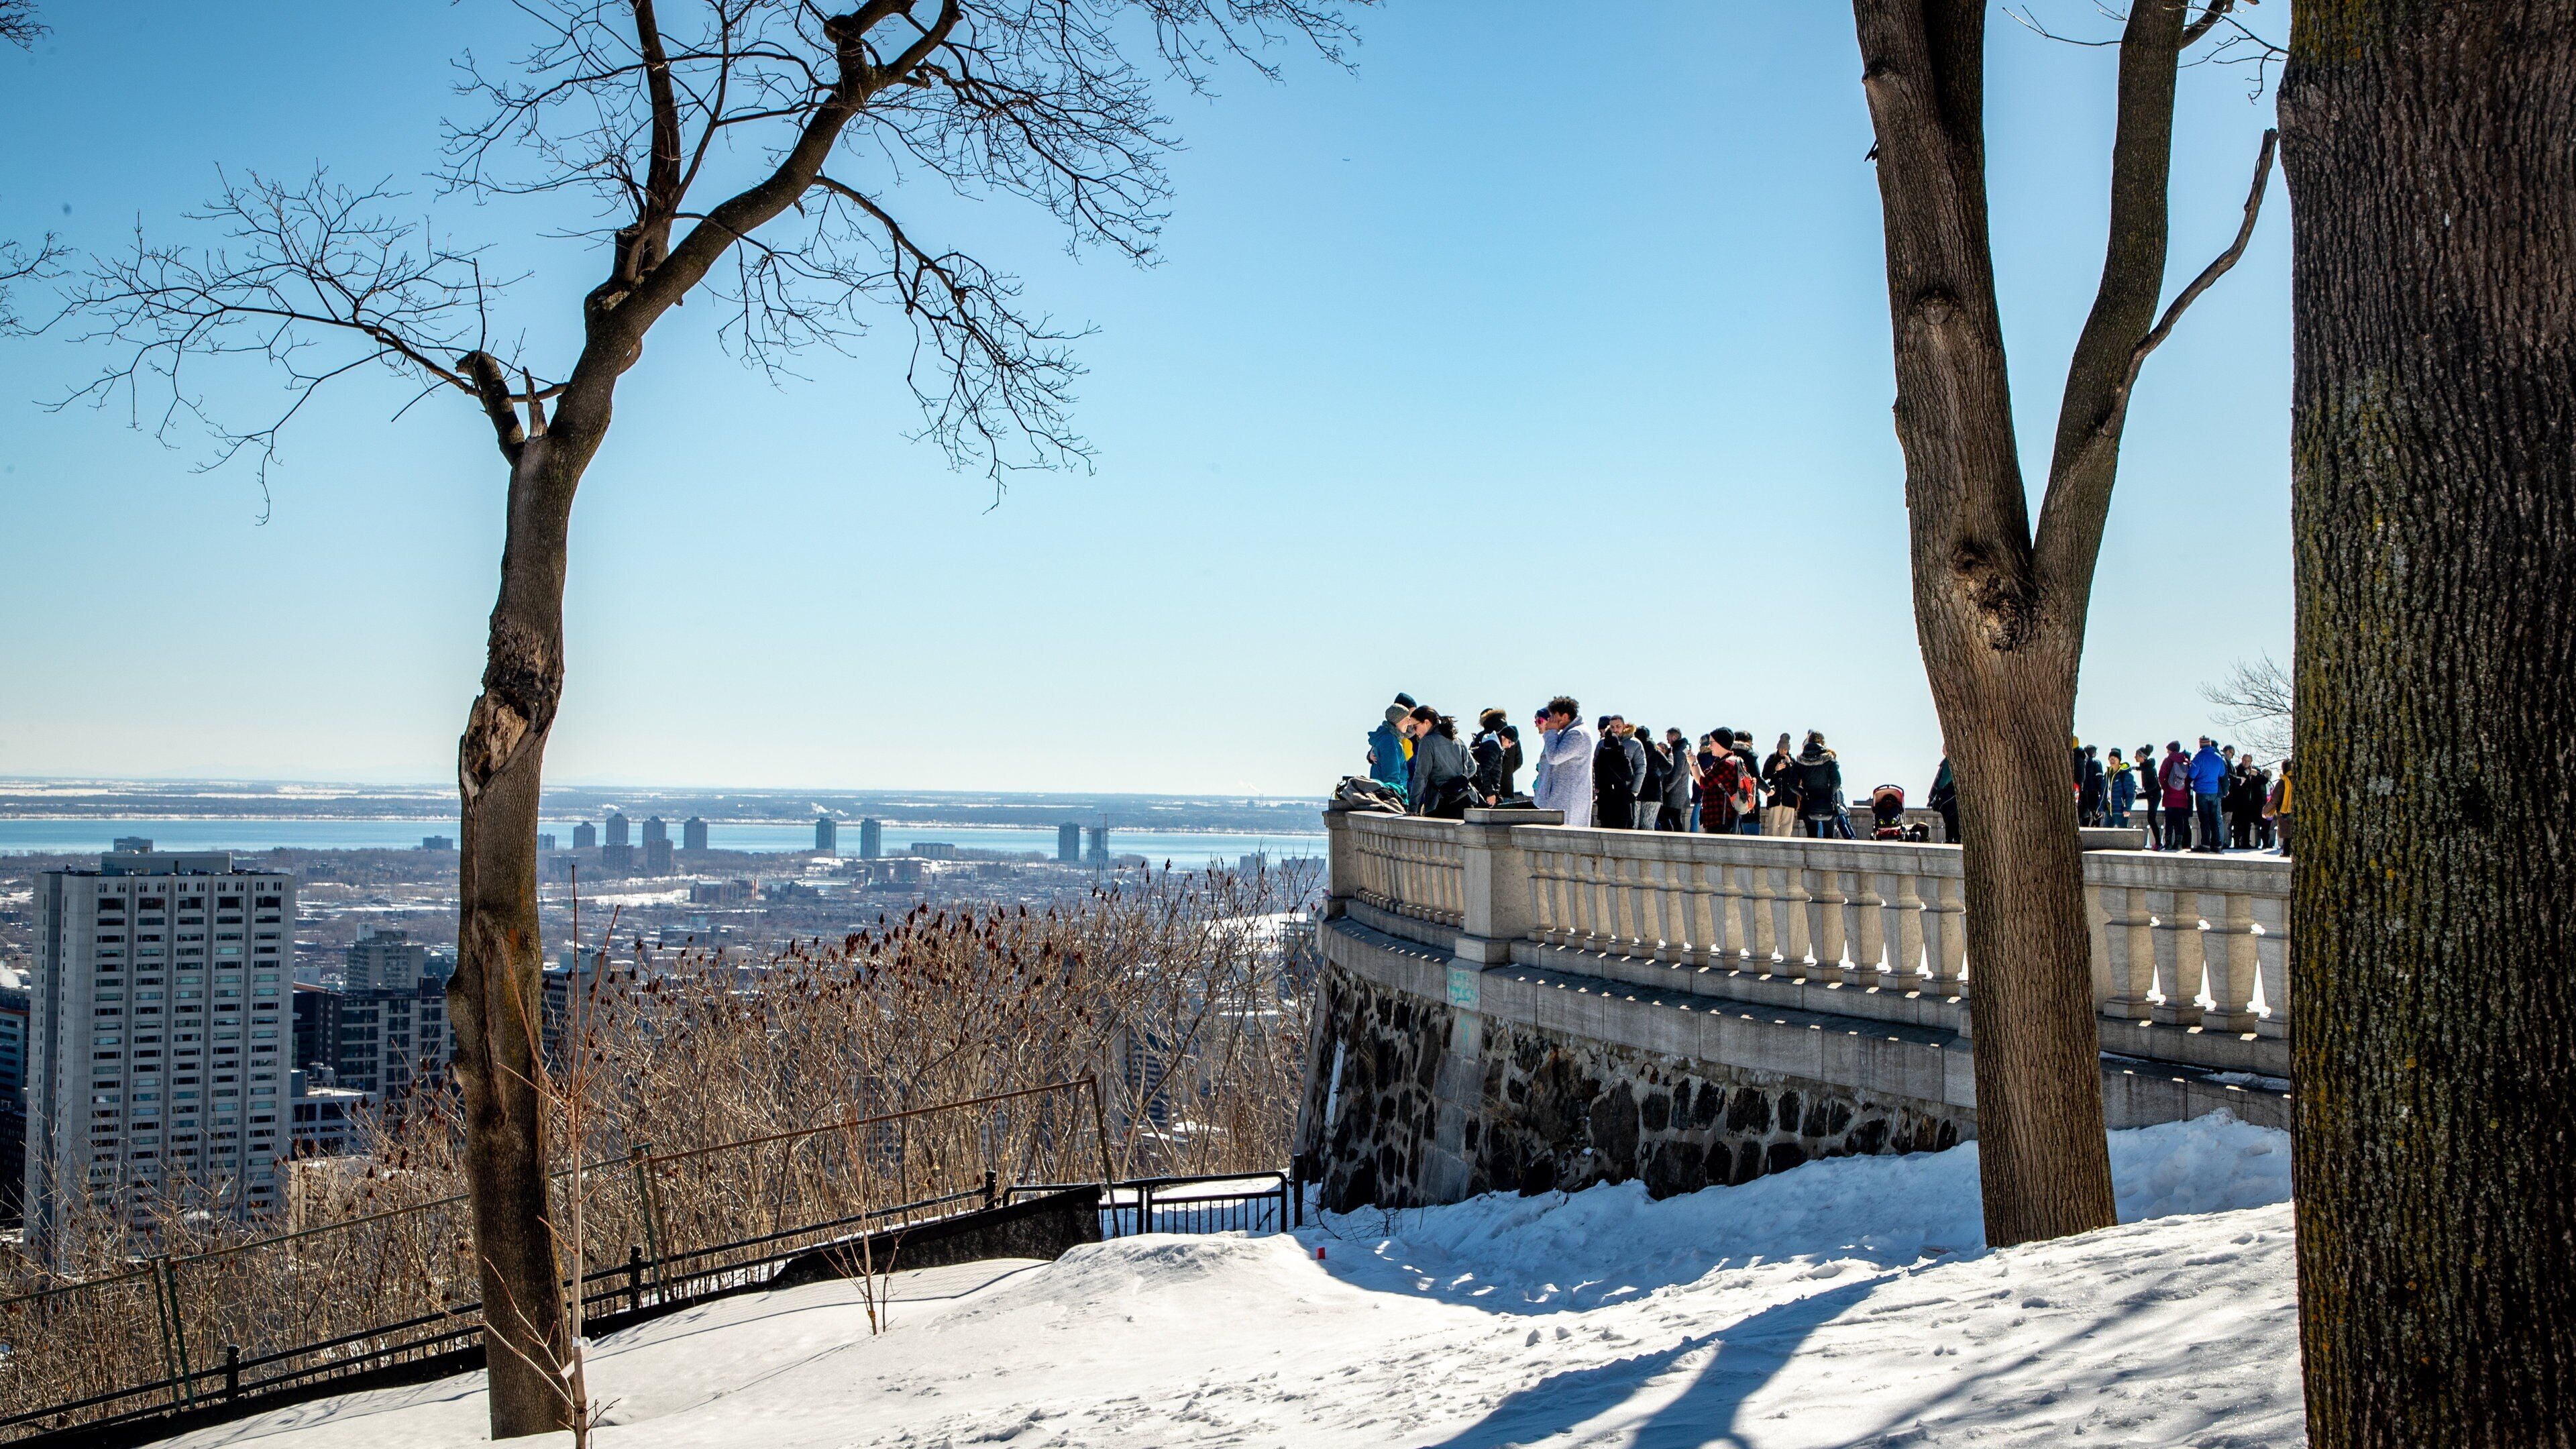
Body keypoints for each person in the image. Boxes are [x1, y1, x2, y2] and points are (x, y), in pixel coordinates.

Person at [1401, 706, 1477, 819]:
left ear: (1426, 722)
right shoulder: (1458, 740)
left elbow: (1421, 776)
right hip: (1466, 801)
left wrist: (1413, 808)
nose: (1414, 731)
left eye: (1415, 727)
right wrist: (1456, 783)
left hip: (1441, 803)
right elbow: (1472, 768)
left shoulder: (1427, 742)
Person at [1530, 698, 1593, 826]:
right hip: (1560, 802)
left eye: (1554, 716)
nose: (1551, 720)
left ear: (1565, 716)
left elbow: (1555, 757)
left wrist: (1550, 732)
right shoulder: (1569, 733)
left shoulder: (1577, 734)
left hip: (1567, 804)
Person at [1794, 731, 1846, 839]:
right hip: (1827, 802)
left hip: (1808, 803)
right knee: (1828, 837)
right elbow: (1837, 781)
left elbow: (1792, 784)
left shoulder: (1800, 760)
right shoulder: (1829, 760)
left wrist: (1804, 793)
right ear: (1822, 743)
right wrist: (1829, 793)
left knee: (1811, 836)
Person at [1593, 715, 1638, 830]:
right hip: (1621, 797)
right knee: (1622, 831)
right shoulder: (1622, 756)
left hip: (1604, 797)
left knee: (1605, 828)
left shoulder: (1600, 756)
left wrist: (1598, 787)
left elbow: (1595, 773)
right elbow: (1630, 776)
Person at [1629, 720, 1670, 831]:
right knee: (1648, 827)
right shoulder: (1656, 751)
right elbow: (1667, 768)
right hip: (1653, 790)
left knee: (1633, 825)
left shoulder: (1634, 748)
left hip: (1636, 788)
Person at [2189, 736, 2229, 852]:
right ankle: (2217, 845)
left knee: (2204, 819)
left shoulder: (2199, 758)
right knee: (2215, 819)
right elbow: (2222, 774)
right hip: (2215, 791)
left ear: (2201, 745)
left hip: (2202, 792)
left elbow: (2192, 774)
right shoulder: (2218, 758)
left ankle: (2205, 844)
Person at [1365, 705, 1410, 804]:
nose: (1409, 722)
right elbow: (1391, 777)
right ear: (1398, 720)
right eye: (1407, 719)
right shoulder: (1389, 741)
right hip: (1389, 800)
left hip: (1384, 797)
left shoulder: (1389, 738)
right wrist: (1403, 801)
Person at [1762, 733, 1802, 836]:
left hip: (1789, 799)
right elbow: (1764, 775)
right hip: (1775, 797)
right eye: (1781, 749)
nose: (1783, 752)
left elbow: (1798, 777)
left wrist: (1790, 764)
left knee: (1787, 828)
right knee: (1773, 828)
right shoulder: (1772, 758)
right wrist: (1775, 770)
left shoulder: (1793, 760)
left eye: (1785, 750)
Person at [1470, 709, 1511, 804]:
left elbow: (1476, 764)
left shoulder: (1483, 737)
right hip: (1505, 788)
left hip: (1486, 789)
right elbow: (1519, 761)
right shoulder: (1511, 738)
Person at [1658, 727, 1693, 831]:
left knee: (1667, 816)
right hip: (1680, 791)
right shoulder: (1684, 749)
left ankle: (1673, 839)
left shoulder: (1679, 751)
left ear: (1674, 737)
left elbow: (1677, 772)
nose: (1667, 741)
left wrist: (1667, 788)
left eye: (1668, 738)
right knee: (1674, 819)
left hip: (1675, 792)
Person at [1927, 752, 1957, 845]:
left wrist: (1938, 793)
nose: (1942, 749)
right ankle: (1953, 839)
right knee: (1952, 821)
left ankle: (1951, 840)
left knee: (1951, 821)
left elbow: (1943, 780)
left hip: (1948, 797)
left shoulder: (1948, 762)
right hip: (1950, 797)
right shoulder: (1946, 762)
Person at [2136, 741, 2161, 847]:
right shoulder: (2145, 766)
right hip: (2150, 794)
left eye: (2137, 755)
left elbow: (2154, 785)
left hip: (2154, 795)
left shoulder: (2149, 768)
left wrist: (2143, 790)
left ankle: (2158, 843)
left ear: (2142, 757)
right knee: (2133, 797)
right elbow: (2142, 768)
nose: (2135, 757)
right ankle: (2158, 842)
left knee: (2151, 818)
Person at [2266, 759, 2292, 857]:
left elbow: (2274, 800)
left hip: (2285, 812)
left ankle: (2286, 852)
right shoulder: (2301, 780)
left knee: (2287, 835)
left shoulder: (2283, 782)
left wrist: (2266, 811)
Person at [2106, 748, 2135, 829]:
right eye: (2110, 759)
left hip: (2121, 811)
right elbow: (2104, 792)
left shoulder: (2126, 775)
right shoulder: (2108, 774)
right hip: (2109, 811)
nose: (2112, 761)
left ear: (2119, 760)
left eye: (2114, 758)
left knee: (2123, 836)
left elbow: (2130, 794)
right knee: (2105, 835)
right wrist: (2101, 808)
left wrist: (2127, 808)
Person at [2078, 744, 2106, 826]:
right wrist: (2101, 792)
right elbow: (2099, 779)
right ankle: (2095, 827)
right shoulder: (2096, 763)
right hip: (2093, 792)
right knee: (2096, 812)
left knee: (2084, 813)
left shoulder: (2082, 762)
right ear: (2093, 753)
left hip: (2082, 792)